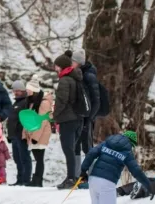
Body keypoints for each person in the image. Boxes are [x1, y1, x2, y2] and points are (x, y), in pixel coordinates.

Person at [53, 53, 85, 189]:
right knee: (72, 149)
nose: (55, 68)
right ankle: (73, 177)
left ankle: (71, 178)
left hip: (68, 119)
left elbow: (62, 101)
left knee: (68, 149)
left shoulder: (65, 80)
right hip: (78, 118)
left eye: (56, 66)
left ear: (61, 66)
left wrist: (54, 115)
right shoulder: (76, 78)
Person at [67, 49, 100, 175]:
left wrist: (89, 119)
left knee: (87, 146)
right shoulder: (75, 75)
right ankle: (76, 175)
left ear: (78, 62)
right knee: (75, 145)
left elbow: (96, 101)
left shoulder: (89, 76)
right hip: (77, 117)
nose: (71, 64)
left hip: (87, 118)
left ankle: (92, 175)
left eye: (73, 61)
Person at [24, 80, 52, 187]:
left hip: (41, 133)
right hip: (33, 133)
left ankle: (38, 180)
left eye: (28, 90)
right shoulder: (32, 101)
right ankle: (36, 179)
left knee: (39, 158)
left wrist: (35, 137)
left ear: (33, 90)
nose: (27, 91)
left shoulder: (43, 103)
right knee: (37, 158)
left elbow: (42, 121)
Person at [7, 80, 32, 186]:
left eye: (18, 90)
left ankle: (26, 180)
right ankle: (20, 179)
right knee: (17, 158)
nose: (16, 92)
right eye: (14, 90)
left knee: (24, 157)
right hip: (14, 136)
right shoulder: (16, 103)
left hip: (22, 135)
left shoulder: (25, 102)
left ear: (23, 90)